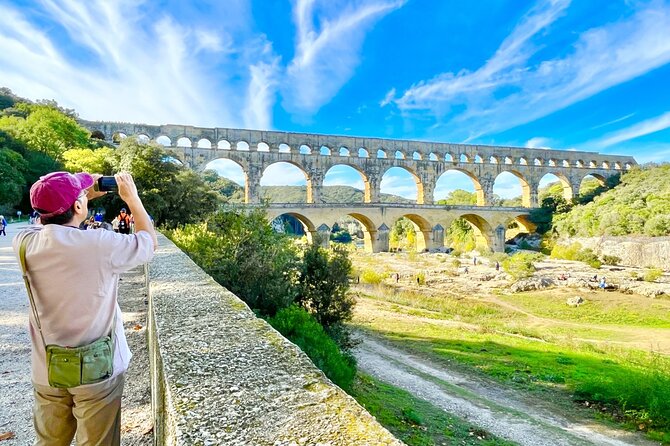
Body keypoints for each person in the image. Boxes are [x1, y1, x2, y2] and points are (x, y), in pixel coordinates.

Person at [13, 171, 157, 445]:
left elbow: (43, 221)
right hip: (97, 370)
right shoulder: (99, 244)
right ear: (78, 206)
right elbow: (148, 244)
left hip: (47, 369)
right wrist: (133, 199)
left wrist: (75, 199)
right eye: (80, 197)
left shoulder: (24, 243)